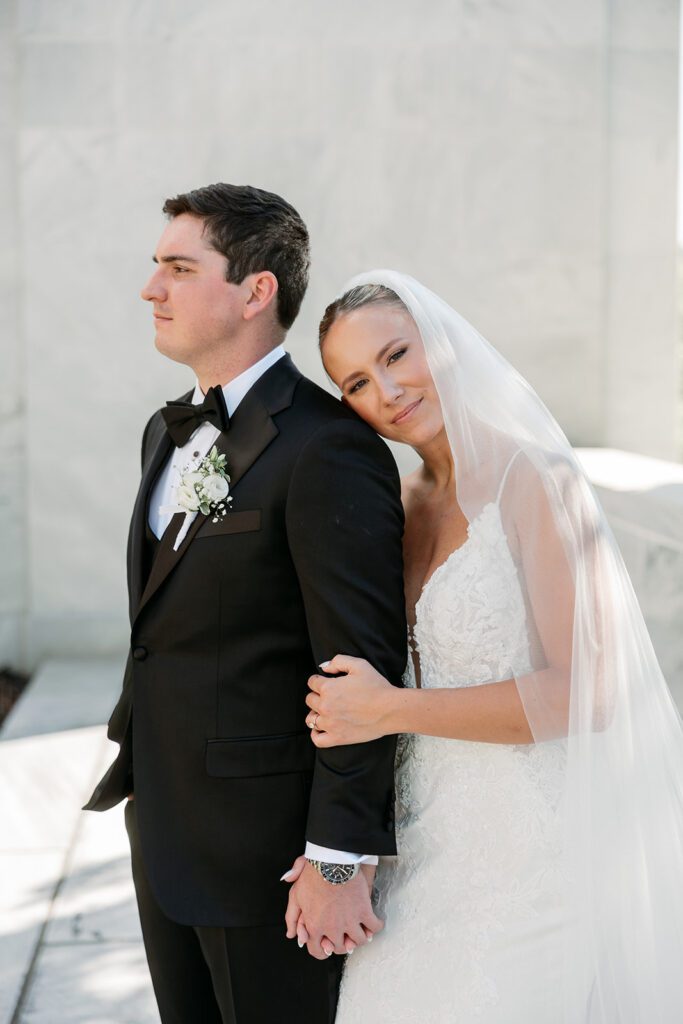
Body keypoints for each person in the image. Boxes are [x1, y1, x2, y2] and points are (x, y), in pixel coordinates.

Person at [284, 270, 683, 1022]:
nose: (388, 391)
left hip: (533, 856)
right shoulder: (397, 504)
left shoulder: (537, 479)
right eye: (358, 383)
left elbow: (584, 694)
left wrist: (390, 708)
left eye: (398, 354)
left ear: (442, 341)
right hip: (423, 849)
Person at [81, 188, 407, 1024]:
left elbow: (361, 666)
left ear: (256, 291)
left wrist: (338, 858)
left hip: (270, 856)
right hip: (164, 825)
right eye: (156, 267)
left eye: (179, 268)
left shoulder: (327, 447)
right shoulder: (166, 432)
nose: (151, 288)